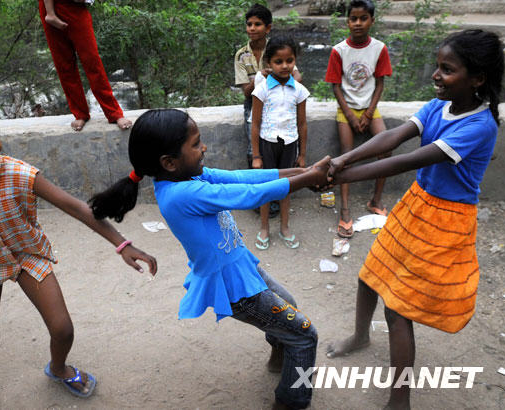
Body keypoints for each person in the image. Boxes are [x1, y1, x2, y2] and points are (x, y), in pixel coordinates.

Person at [0, 96, 157, 410]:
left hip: (27, 253)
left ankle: (58, 368)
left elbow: (75, 206)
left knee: (62, 328)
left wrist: (123, 244)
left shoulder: (16, 173)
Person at [89, 109, 330, 410]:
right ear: (169, 162)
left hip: (242, 273)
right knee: (305, 334)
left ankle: (279, 359)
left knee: (288, 306)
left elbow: (243, 178)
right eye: (196, 144)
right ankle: (292, 401)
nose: (204, 148)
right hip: (237, 291)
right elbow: (248, 196)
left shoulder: (187, 176)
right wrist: (307, 180)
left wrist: (301, 173)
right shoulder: (183, 193)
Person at [324, 30, 504, 409]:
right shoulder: (439, 105)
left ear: (478, 79)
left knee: (398, 308)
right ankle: (360, 337)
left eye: (447, 69)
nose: (436, 75)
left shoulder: (479, 126)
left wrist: (341, 174)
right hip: (417, 204)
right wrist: (342, 160)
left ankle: (399, 399)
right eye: (438, 67)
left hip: (446, 220)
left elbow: (407, 160)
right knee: (370, 274)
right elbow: (392, 139)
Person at [324, 0, 393, 238]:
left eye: (363, 18)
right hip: (347, 109)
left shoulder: (379, 48)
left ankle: (375, 200)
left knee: (386, 148)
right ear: (347, 21)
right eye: (353, 19)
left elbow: (380, 83)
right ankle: (344, 209)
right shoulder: (339, 50)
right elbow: (335, 87)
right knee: (345, 156)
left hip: (369, 109)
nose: (357, 23)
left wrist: (368, 113)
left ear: (372, 21)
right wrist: (352, 116)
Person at [234, 3, 302, 218]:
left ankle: (275, 200)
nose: (252, 28)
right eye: (249, 24)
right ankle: (260, 197)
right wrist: (260, 80)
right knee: (254, 151)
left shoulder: (277, 49)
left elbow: (297, 78)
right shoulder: (242, 55)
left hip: (279, 102)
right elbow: (246, 92)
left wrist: (276, 77)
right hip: (255, 101)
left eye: (258, 24)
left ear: (268, 27)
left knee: (279, 150)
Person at [250, 35, 309, 250]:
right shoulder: (263, 88)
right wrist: (256, 156)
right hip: (267, 143)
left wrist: (302, 154)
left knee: (285, 188)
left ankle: (285, 227)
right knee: (267, 188)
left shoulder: (300, 90)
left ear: (295, 61)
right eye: (278, 61)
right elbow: (255, 124)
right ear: (269, 63)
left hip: (289, 144)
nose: (285, 66)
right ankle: (264, 227)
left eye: (289, 60)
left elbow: (302, 124)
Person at [38, 0, 132, 131]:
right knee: (64, 65)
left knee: (92, 61)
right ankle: (80, 113)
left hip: (75, 8)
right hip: (50, 8)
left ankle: (114, 113)